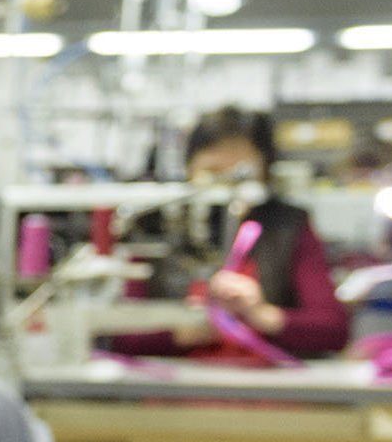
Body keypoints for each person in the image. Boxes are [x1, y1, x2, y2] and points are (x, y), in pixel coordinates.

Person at [111, 107, 350, 360]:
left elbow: (332, 329)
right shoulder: (153, 227)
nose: (227, 187)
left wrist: (261, 315)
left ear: (265, 170)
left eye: (241, 175)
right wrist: (184, 331)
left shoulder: (288, 226)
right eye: (213, 173)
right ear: (190, 168)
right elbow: (119, 333)